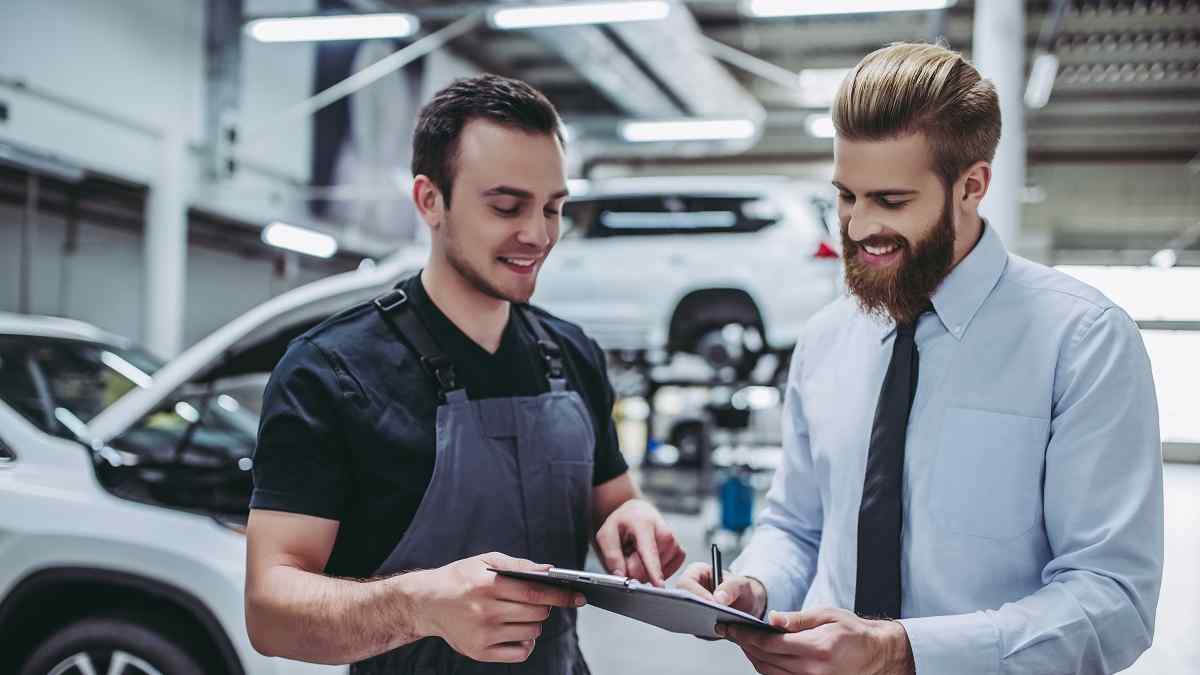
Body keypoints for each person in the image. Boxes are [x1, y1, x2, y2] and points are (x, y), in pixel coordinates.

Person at [678, 42, 1163, 675]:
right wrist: (756, 587)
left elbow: (1113, 599)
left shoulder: (1083, 341)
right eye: (846, 197)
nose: (855, 229)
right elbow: (797, 525)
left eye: (890, 201)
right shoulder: (825, 339)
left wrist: (900, 652)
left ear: (972, 185)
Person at [244, 74, 684, 674]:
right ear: (430, 200)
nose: (536, 235)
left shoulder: (572, 354)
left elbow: (612, 502)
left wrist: (630, 520)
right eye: (506, 207)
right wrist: (419, 606)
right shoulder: (332, 371)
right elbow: (270, 609)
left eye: (553, 208)